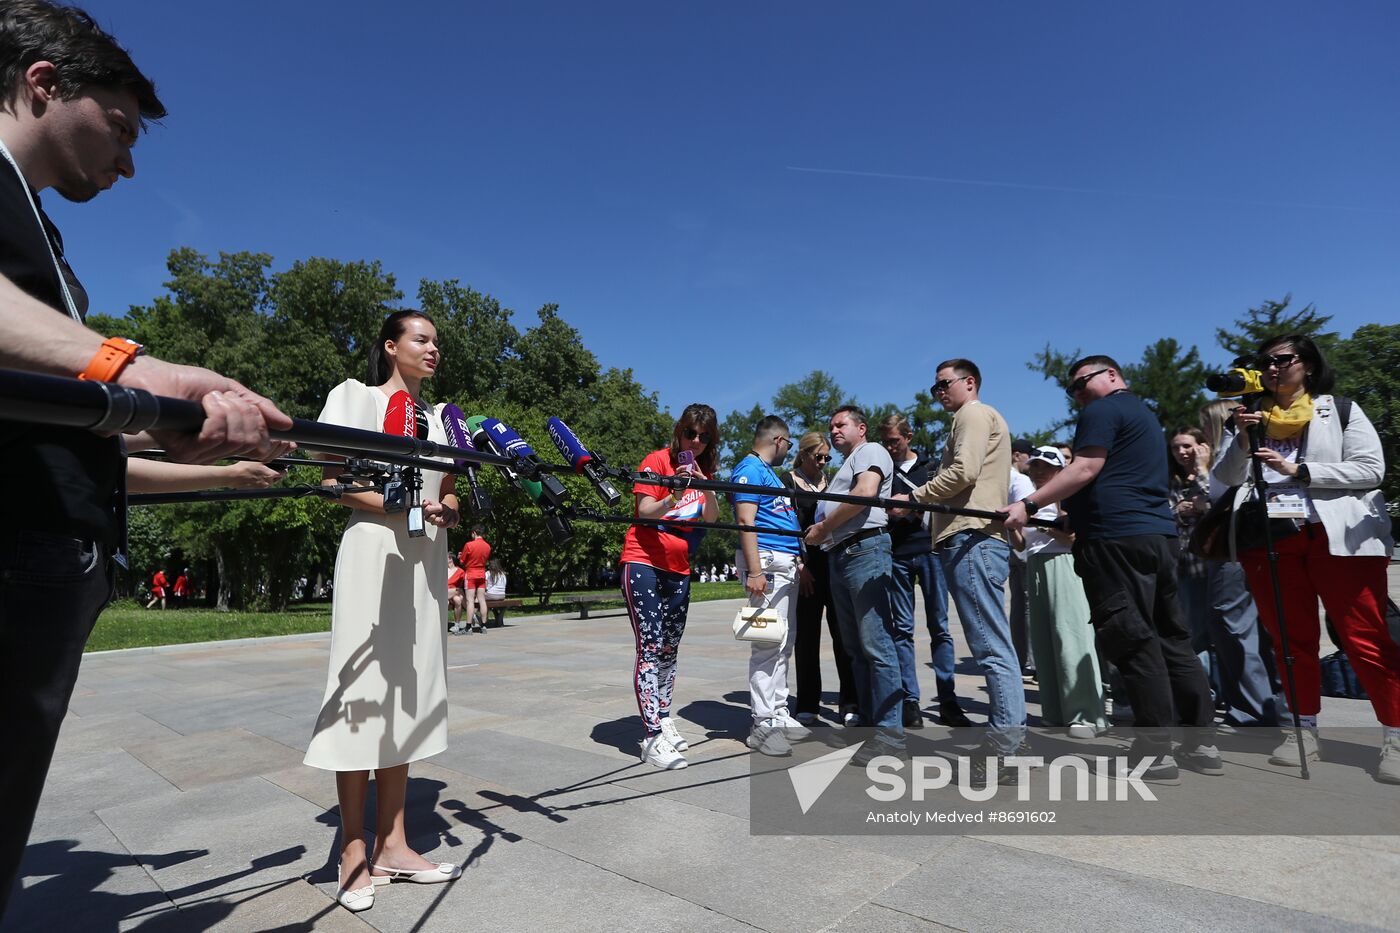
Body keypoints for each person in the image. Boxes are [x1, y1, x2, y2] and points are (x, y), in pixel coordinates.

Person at [0, 3, 290, 919]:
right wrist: (149, 374)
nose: (127, 161)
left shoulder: (38, 229)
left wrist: (201, 452)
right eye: (119, 129)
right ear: (45, 82)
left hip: (48, 568)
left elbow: (73, 435)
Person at [305, 309, 462, 912]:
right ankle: (351, 846)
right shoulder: (356, 399)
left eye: (436, 343)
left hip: (423, 561)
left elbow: (446, 487)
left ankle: (394, 842)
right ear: (391, 346)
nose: (432, 349)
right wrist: (400, 508)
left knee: (408, 691)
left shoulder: (440, 420)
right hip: (374, 547)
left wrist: (444, 506)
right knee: (362, 689)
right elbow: (331, 476)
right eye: (421, 339)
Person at [1001, 355, 1218, 784]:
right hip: (1156, 538)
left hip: (1117, 542)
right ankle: (1201, 741)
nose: (1078, 394)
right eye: (1072, 390)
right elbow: (1118, 479)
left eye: (1082, 383)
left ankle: (1156, 751)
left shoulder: (1102, 410)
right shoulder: (1144, 415)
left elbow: (1086, 468)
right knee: (1172, 637)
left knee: (1134, 640)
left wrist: (1028, 505)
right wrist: (1074, 517)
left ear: (1112, 376)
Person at [1211, 335, 1399, 782]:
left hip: (1338, 537)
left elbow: (1372, 469)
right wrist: (1241, 437)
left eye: (1283, 360)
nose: (1273, 368)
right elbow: (1223, 481)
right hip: (1272, 537)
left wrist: (1301, 471)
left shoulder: (1340, 409)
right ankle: (1303, 729)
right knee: (1290, 641)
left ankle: (1394, 734)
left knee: (1364, 637)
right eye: (1265, 362)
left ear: (1309, 366)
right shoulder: (1249, 415)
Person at [907, 359, 1026, 782]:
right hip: (974, 539)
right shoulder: (976, 416)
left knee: (991, 649)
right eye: (934, 386)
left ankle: (1004, 747)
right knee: (995, 645)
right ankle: (1009, 740)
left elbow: (964, 471)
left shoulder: (972, 414)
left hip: (972, 538)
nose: (938, 392)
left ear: (969, 382)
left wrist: (915, 497)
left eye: (944, 384)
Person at [621, 403, 720, 769]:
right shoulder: (657, 461)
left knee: (669, 649)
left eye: (703, 437)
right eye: (690, 433)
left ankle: (663, 718)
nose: (695, 441)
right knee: (649, 648)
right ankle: (650, 736)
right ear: (679, 431)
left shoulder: (704, 471)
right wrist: (675, 492)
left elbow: (711, 518)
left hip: (679, 568)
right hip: (643, 561)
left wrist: (704, 485)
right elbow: (644, 511)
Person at [804, 405, 905, 763]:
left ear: (861, 428)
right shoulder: (845, 463)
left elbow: (865, 493)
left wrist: (823, 528)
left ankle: (891, 737)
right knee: (856, 648)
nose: (833, 430)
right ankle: (869, 725)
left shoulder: (870, 451)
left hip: (865, 549)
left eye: (840, 424)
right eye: (830, 425)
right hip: (842, 554)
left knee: (877, 645)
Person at [879, 413, 970, 729]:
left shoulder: (931, 468)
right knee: (902, 630)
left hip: (930, 552)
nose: (891, 447)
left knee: (940, 627)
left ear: (908, 436)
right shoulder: (883, 473)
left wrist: (915, 508)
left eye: (895, 440)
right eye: (886, 442)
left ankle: (948, 699)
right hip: (897, 555)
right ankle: (910, 700)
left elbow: (943, 499)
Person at [1009, 446, 1106, 737]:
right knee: (1044, 641)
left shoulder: (1066, 496)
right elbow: (1021, 545)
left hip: (1063, 563)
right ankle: (1055, 711)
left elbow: (1072, 535)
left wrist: (1042, 524)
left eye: (1047, 467)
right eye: (1035, 466)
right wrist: (1012, 525)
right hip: (1036, 564)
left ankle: (1087, 715)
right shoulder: (1029, 500)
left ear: (1060, 470)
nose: (1039, 471)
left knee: (1071, 635)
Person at [1197, 399, 1280, 728]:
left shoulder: (1237, 445)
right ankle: (1259, 705)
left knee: (1231, 623)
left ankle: (1252, 711)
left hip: (1237, 544)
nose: (1202, 430)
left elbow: (1224, 489)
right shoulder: (1235, 447)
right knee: (1245, 627)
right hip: (1240, 543)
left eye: (1206, 423)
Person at [732, 415, 809, 756]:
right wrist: (753, 571)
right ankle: (762, 723)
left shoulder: (769, 474)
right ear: (779, 440)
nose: (788, 451)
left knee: (783, 642)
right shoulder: (748, 469)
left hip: (784, 563)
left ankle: (777, 711)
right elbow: (745, 520)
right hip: (765, 563)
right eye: (789, 444)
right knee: (766, 644)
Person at [782, 432, 858, 725]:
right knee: (807, 638)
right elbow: (786, 526)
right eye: (819, 456)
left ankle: (850, 701)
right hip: (806, 567)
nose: (824, 462)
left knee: (843, 635)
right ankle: (808, 702)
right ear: (803, 454)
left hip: (835, 565)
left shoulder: (834, 481)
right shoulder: (787, 483)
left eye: (828, 457)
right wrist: (800, 566)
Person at [1168, 427, 1218, 692]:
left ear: (1202, 446)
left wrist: (1202, 470)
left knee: (1221, 630)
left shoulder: (1214, 473)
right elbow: (1165, 512)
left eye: (1186, 446)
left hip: (1213, 561)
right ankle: (1204, 690)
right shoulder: (1172, 480)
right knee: (1194, 631)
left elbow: (1216, 504)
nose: (1181, 452)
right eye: (1176, 448)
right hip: (1183, 564)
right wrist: (1178, 510)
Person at [458, 526, 491, 634]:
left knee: (470, 600)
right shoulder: (487, 546)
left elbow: (462, 561)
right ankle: (484, 626)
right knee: (482, 600)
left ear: (474, 533)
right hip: (482, 574)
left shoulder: (469, 545)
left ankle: (468, 627)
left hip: (471, 574)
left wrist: (460, 557)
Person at [446, 554, 467, 634]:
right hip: (447, 591)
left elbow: (462, 584)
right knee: (458, 591)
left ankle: (457, 625)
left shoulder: (460, 571)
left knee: (458, 600)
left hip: (453, 593)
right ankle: (471, 613)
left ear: (450, 559)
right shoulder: (443, 569)